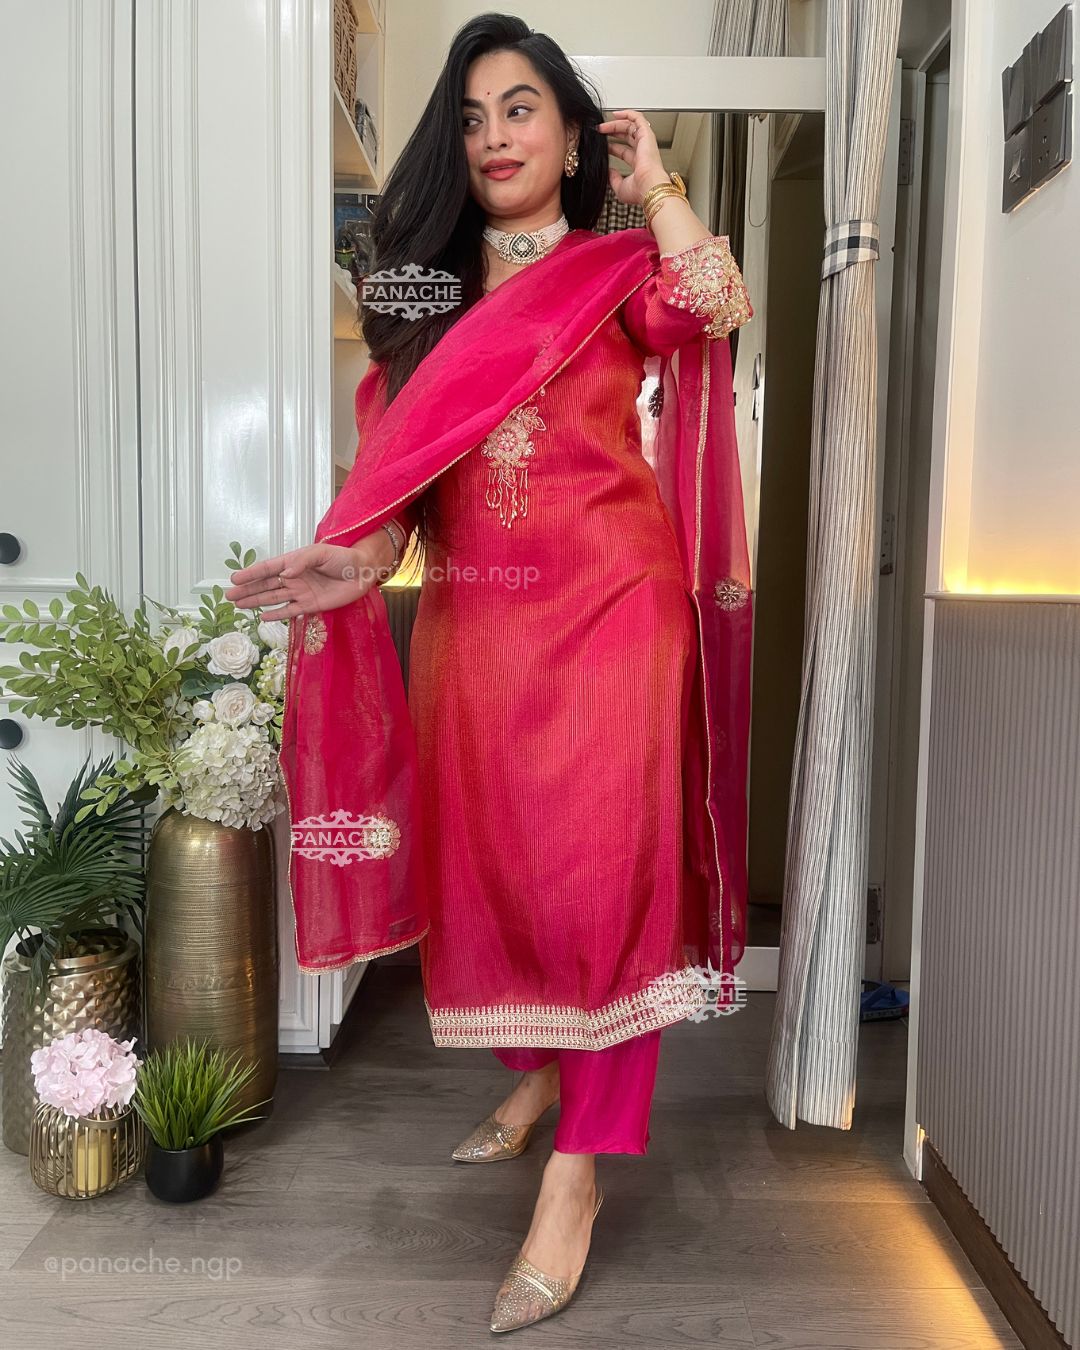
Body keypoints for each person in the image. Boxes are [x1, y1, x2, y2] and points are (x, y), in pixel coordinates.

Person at [226, 13, 753, 1334]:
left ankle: (577, 1172)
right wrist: (356, 563)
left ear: (572, 137)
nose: (494, 137)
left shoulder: (617, 270)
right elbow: (399, 489)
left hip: (620, 610)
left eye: (521, 109)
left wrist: (659, 187)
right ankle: (539, 1074)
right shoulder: (424, 301)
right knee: (509, 874)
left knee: (610, 877)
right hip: (479, 630)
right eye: (470, 118)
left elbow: (713, 304)